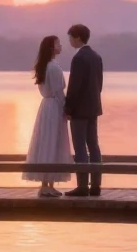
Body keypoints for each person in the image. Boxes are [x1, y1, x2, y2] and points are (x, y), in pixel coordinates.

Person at [24, 35, 73, 197]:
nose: (61, 46)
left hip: (46, 106)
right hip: (54, 107)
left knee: (45, 142)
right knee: (53, 142)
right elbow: (59, 92)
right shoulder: (54, 67)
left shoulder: (44, 66)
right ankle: (47, 185)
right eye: (58, 43)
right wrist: (66, 108)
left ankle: (46, 184)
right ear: (52, 48)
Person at [63, 23, 103, 197]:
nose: (70, 41)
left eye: (70, 37)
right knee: (93, 146)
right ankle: (95, 185)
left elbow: (74, 87)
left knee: (80, 147)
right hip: (93, 107)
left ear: (77, 37)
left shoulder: (79, 58)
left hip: (80, 110)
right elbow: (99, 84)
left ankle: (82, 186)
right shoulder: (96, 56)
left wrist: (68, 108)